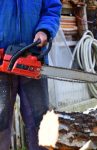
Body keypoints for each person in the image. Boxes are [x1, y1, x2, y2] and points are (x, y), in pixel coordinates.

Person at [0, 1, 62, 150]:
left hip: (33, 56)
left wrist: (45, 30)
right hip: (2, 59)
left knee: (40, 118)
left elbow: (52, 8)